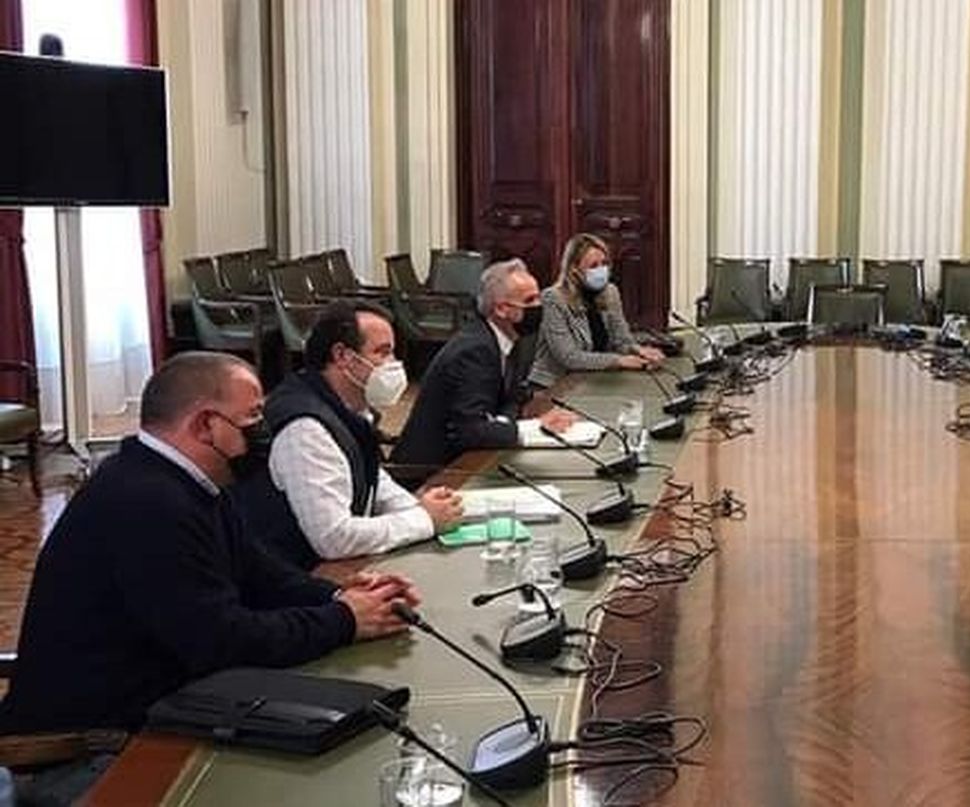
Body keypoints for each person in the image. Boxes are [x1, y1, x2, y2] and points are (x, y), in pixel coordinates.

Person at [0, 352, 418, 736]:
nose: (263, 429)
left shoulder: (189, 481)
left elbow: (260, 573)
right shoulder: (147, 502)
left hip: (161, 707)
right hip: (92, 745)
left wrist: (340, 595)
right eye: (252, 416)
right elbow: (221, 641)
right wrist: (343, 620)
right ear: (205, 425)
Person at [233, 302, 464, 569]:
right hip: (305, 576)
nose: (393, 365)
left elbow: (372, 477)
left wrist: (417, 508)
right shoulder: (305, 429)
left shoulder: (348, 410)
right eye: (382, 353)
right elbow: (334, 538)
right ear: (343, 355)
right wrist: (423, 520)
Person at [391, 258, 572, 477]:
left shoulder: (509, 338)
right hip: (431, 473)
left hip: (468, 458)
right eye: (530, 300)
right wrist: (536, 427)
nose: (539, 306)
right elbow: (469, 430)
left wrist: (501, 423)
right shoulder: (475, 350)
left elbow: (513, 399)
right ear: (502, 309)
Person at [528, 233, 665, 388]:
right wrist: (619, 361)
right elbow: (569, 357)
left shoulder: (610, 292)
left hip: (593, 380)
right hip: (554, 385)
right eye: (593, 266)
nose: (601, 270)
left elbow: (621, 340)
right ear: (574, 269)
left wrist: (640, 352)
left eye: (604, 263)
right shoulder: (553, 298)